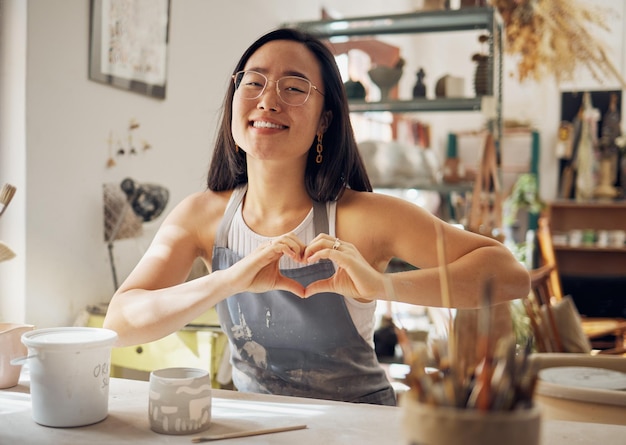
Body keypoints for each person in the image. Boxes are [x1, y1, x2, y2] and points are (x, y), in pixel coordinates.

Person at [104, 28, 530, 406]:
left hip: (360, 429)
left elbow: (509, 274)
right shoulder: (202, 215)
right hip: (258, 428)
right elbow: (119, 324)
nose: (268, 100)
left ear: (325, 120)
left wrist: (382, 285)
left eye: (294, 88)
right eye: (253, 82)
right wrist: (229, 280)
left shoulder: (364, 217)